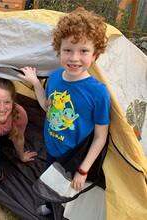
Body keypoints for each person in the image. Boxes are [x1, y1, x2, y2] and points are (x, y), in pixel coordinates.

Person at [20, 7, 110, 192]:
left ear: (95, 55)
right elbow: (48, 107)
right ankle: (47, 204)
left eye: (84, 51)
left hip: (74, 156)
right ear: (59, 51)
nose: (74, 58)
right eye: (67, 50)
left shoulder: (98, 93)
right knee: (50, 180)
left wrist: (83, 169)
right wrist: (36, 83)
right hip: (51, 145)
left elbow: (101, 137)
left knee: (66, 189)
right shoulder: (55, 77)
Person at [0, 77, 37, 165]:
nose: (2, 108)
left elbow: (18, 137)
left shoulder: (19, 114)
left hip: (3, 135)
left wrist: (22, 156)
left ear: (13, 101)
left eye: (7, 102)